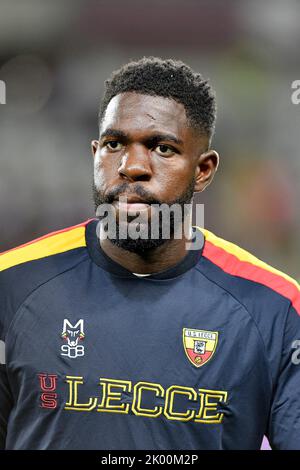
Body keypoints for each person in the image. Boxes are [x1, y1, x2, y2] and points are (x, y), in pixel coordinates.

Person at [0, 57, 300, 450]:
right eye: (114, 144)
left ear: (203, 170)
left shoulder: (275, 307)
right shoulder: (12, 284)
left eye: (162, 148)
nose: (131, 166)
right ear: (95, 154)